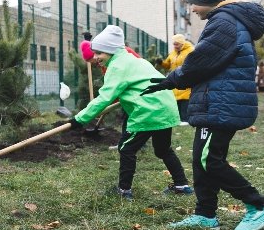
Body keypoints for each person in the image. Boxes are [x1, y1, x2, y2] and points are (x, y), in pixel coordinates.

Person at [142, 0, 264, 230]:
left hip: (222, 102)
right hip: (217, 102)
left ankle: (258, 205)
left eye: (194, 1)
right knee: (201, 159)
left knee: (209, 159)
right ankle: (206, 214)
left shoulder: (225, 22)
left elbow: (201, 61)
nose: (192, 8)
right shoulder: (226, 20)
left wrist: (172, 80)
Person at [70, 25, 191, 200]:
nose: (96, 58)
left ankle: (124, 190)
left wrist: (79, 119)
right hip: (165, 107)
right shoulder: (134, 60)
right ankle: (182, 185)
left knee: (126, 148)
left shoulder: (118, 66)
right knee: (163, 149)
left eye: (99, 53)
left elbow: (104, 97)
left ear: (111, 51)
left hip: (148, 111)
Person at [157, 34, 195, 124]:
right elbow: (168, 65)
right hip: (175, 79)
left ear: (182, 43)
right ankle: (178, 119)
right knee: (176, 100)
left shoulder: (190, 51)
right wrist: (161, 63)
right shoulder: (173, 53)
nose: (175, 46)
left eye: (177, 44)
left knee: (185, 99)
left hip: (186, 79)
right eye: (174, 44)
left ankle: (185, 120)